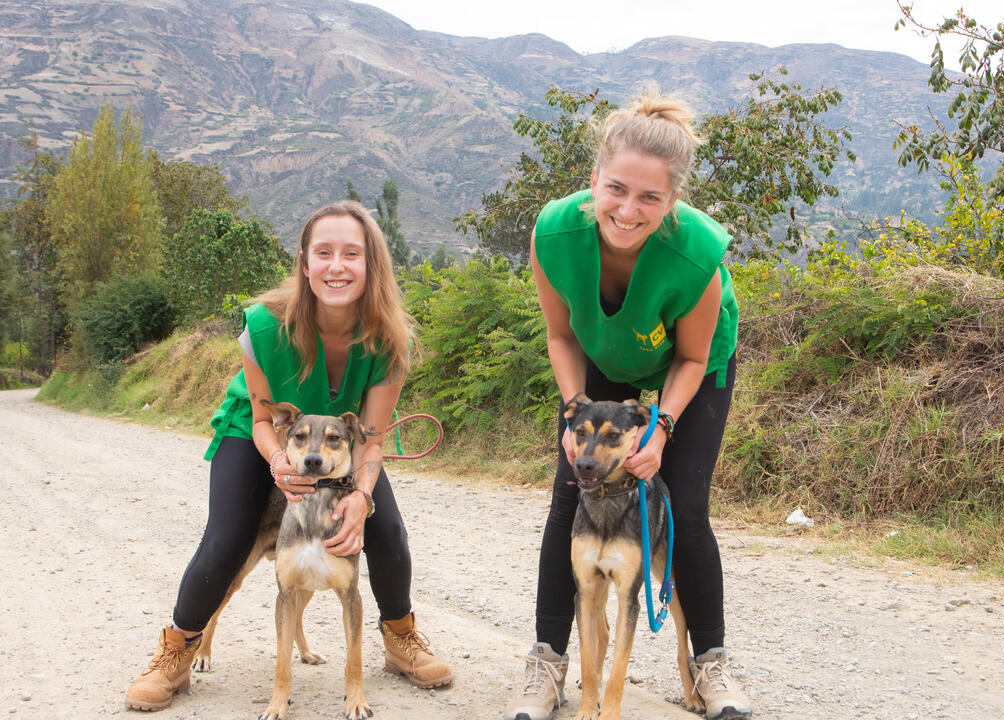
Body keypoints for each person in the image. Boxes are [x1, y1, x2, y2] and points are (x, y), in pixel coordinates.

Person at [125, 201, 453, 712]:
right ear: (304, 262)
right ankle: (178, 648)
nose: (337, 266)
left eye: (352, 254)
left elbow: (370, 438)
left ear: (372, 265)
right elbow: (262, 420)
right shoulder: (263, 326)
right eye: (324, 252)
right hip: (258, 433)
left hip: (337, 443)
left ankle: (400, 637)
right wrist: (279, 462)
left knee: (386, 530)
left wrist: (361, 498)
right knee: (230, 535)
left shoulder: (390, 340)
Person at [505, 89, 752, 720]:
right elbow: (561, 336)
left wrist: (659, 431)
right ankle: (547, 663)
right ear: (594, 181)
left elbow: (690, 359)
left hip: (691, 365)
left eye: (649, 197)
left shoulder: (696, 256)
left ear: (673, 200)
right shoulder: (555, 233)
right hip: (599, 353)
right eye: (616, 189)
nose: (627, 209)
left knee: (684, 507)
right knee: (572, 492)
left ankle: (710, 663)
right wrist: (573, 414)